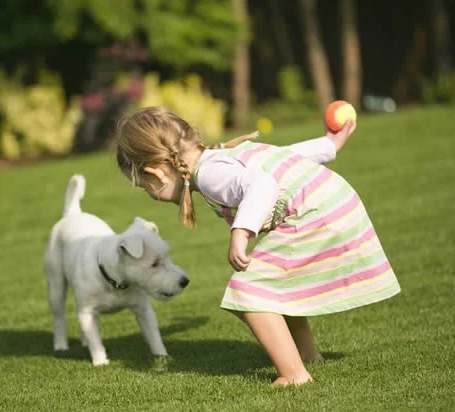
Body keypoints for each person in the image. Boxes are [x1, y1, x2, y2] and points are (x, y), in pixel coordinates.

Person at [115, 106, 400, 386]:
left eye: (144, 187)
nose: (150, 194)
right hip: (334, 202)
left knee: (248, 292)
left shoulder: (210, 174)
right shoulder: (221, 156)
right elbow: (283, 157)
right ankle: (307, 355)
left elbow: (262, 184)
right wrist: (328, 146)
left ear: (156, 173)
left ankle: (294, 375)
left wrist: (242, 230)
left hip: (315, 214)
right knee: (274, 285)